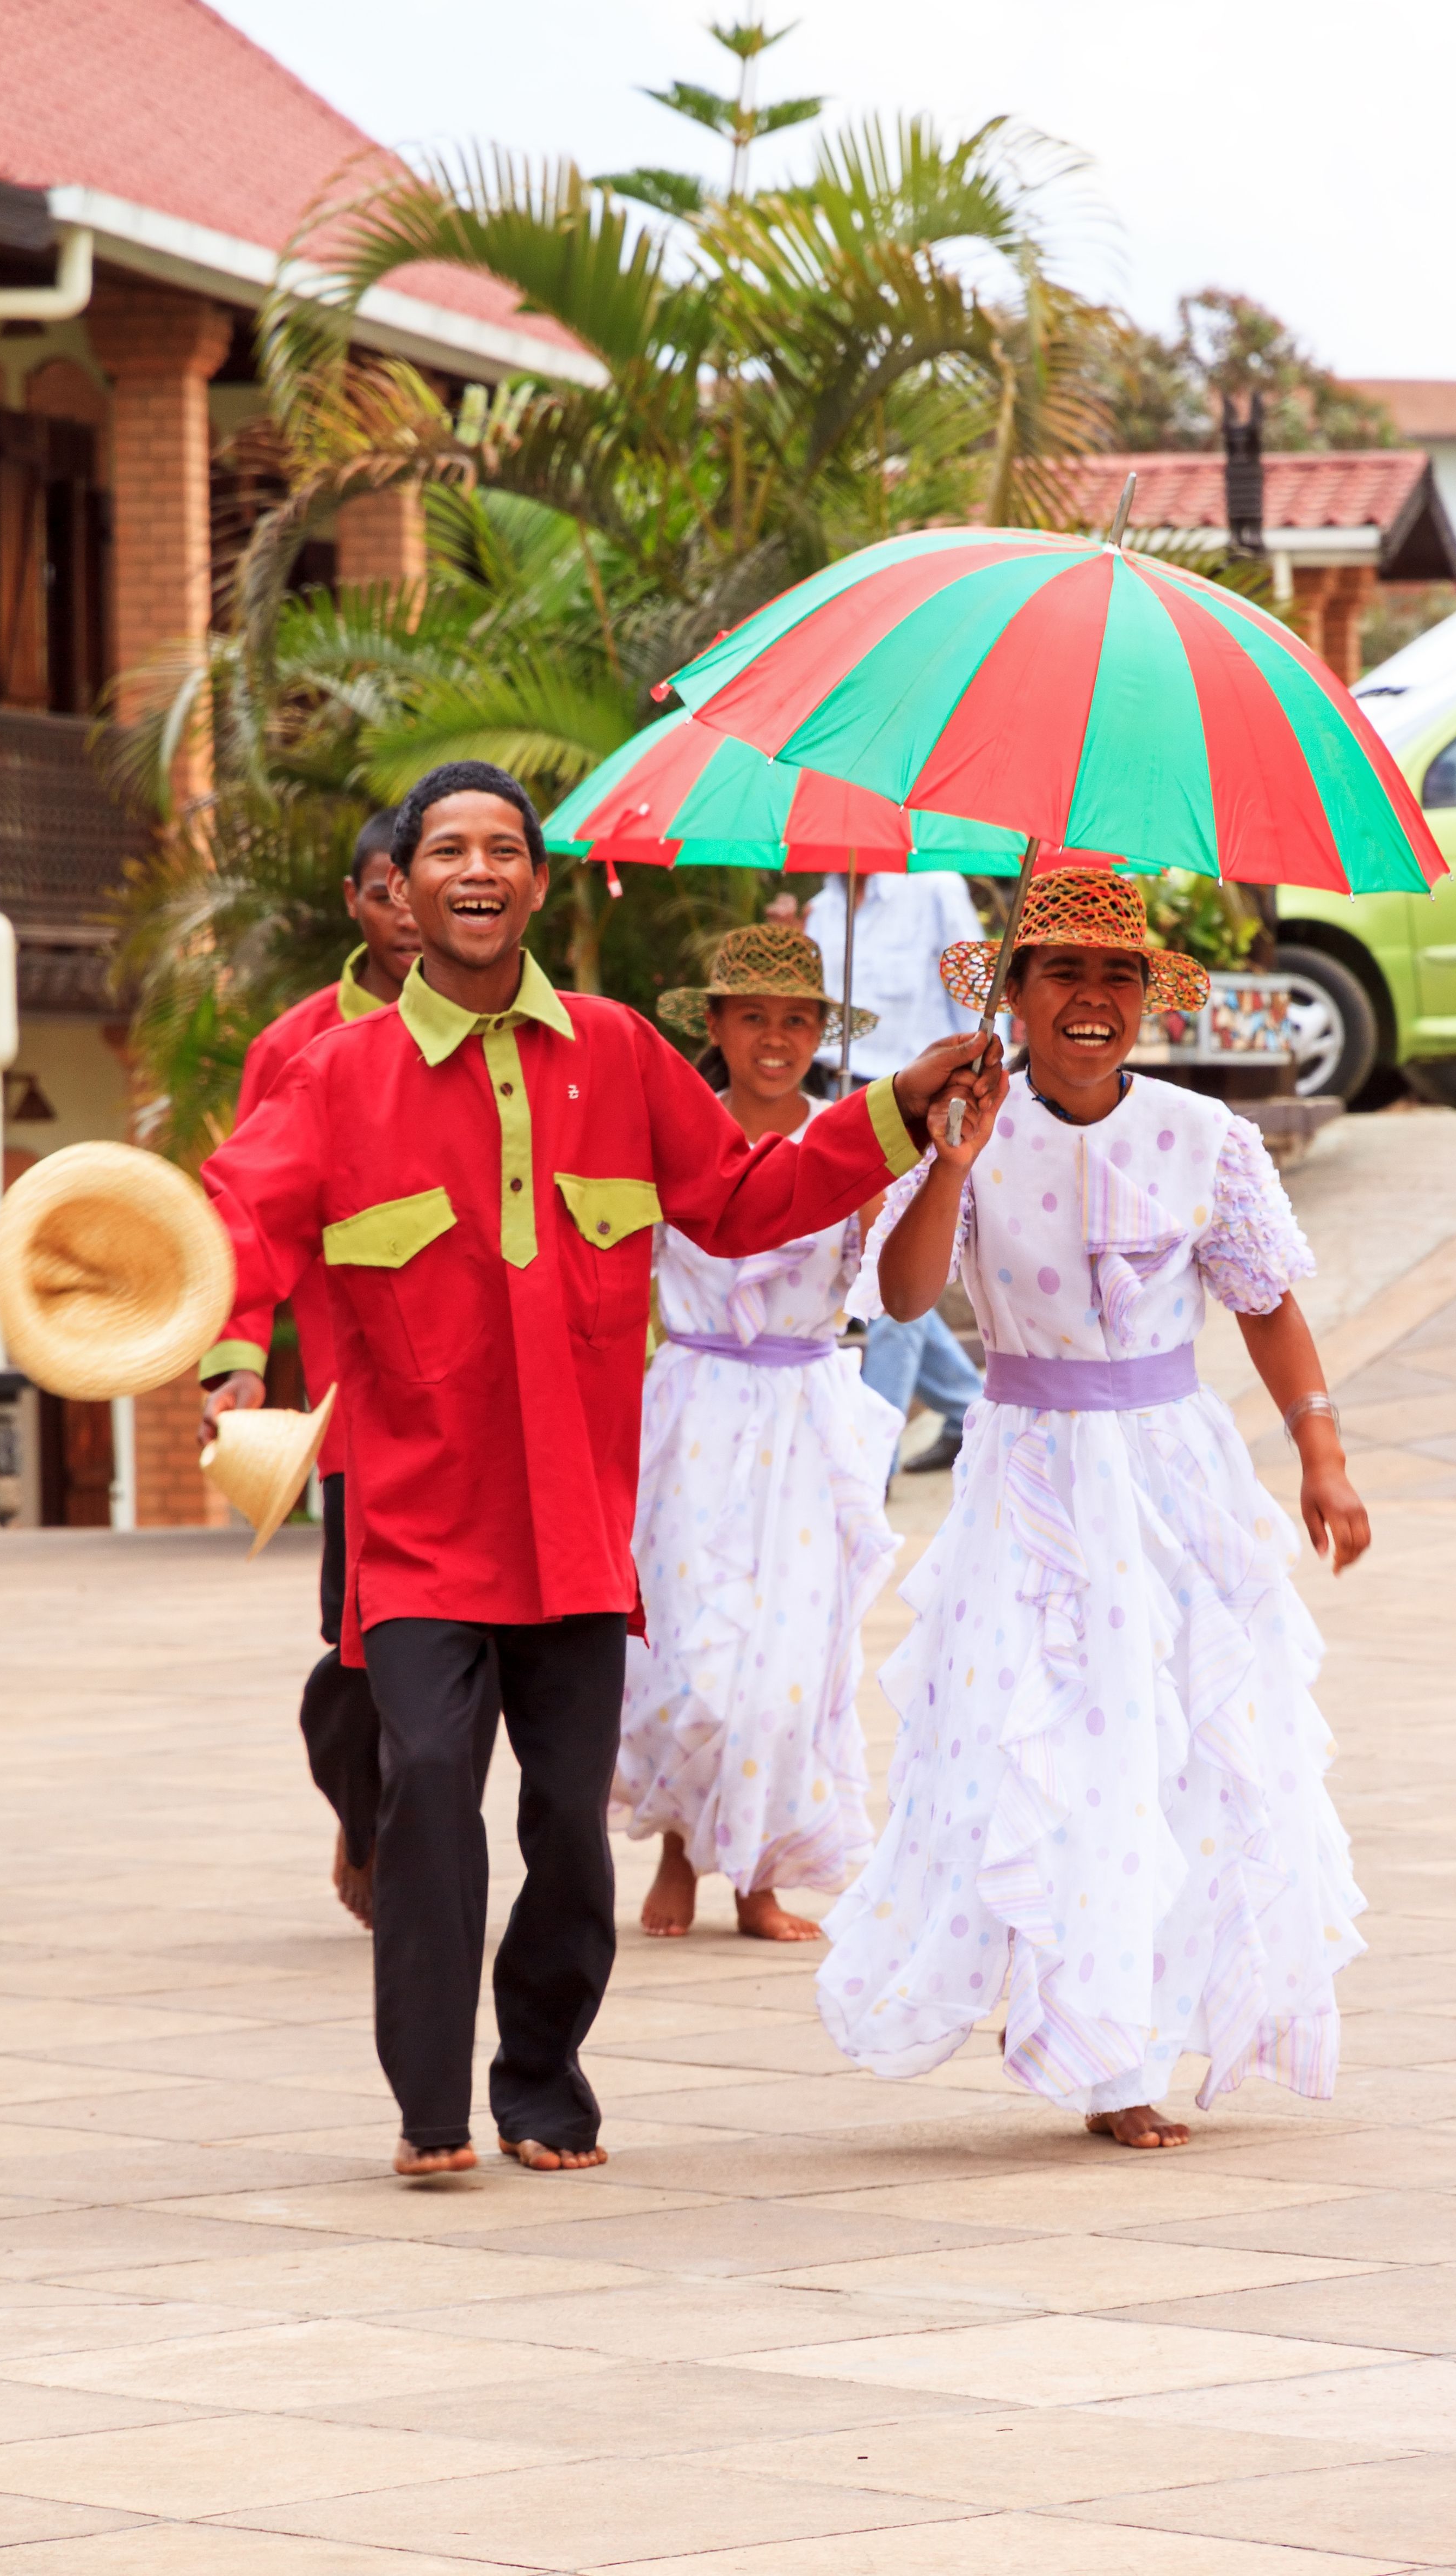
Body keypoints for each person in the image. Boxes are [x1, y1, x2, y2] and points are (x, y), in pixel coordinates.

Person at [197, 760, 1002, 2183]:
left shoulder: (620, 1055)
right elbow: (239, 1220)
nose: (477, 871)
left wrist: (890, 1113)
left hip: (577, 1524)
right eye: (448, 849)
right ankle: (433, 2103)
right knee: (431, 1785)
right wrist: (228, 1360)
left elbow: (746, 1202)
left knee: (569, 1823)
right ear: (411, 881)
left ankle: (543, 2071)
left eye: (504, 848)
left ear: (537, 880)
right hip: (421, 1521)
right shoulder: (338, 1073)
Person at [816, 870, 1369, 2151]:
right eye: (1059, 971)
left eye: (1118, 976)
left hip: (1174, 1476)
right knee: (1056, 1743)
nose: (1091, 998)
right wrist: (947, 1162)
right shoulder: (963, 1120)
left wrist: (1321, 1453)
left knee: (1180, 1739)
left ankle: (1137, 2021)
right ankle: (1094, 2038)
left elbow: (1267, 1300)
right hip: (1029, 1474)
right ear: (1009, 994)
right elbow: (902, 1298)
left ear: (1144, 1004)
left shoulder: (1201, 1134)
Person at [221, 813, 496, 1933]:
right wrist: (238, 1363)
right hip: (356, 1412)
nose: (401, 908)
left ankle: (416, 1837)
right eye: (385, 888)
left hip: (481, 1404)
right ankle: (362, 1802)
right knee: (356, 1654)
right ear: (361, 901)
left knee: (458, 1659)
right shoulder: (295, 1048)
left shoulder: (506, 1029)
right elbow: (243, 1216)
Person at [615, 927, 904, 1944]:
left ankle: (757, 1872)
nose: (775, 1040)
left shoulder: (853, 1139)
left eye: (796, 1020)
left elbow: (890, 1288)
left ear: (821, 1031)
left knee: (790, 1662)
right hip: (693, 1408)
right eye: (753, 1018)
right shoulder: (673, 1134)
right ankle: (680, 1851)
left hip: (804, 1413)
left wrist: (884, 1200)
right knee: (693, 1652)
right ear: (716, 1026)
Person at [805, 870, 985, 1476]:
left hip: (921, 1104)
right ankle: (965, 1408)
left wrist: (978, 1092)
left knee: (885, 1268)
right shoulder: (820, 907)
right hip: (842, 1099)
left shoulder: (935, 888)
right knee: (879, 1264)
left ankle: (868, 1463)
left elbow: (975, 997)